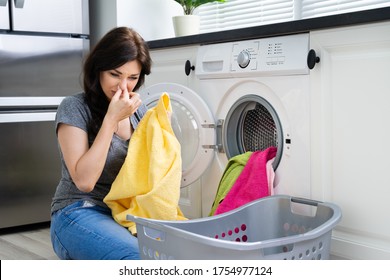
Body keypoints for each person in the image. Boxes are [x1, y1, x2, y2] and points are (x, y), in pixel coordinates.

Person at [50, 27, 152, 260]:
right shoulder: (74, 107)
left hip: (126, 214)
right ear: (98, 70)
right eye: (115, 75)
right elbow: (84, 182)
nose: (124, 86)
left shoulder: (139, 113)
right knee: (137, 259)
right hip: (78, 211)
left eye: (133, 78)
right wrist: (111, 120)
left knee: (177, 255)